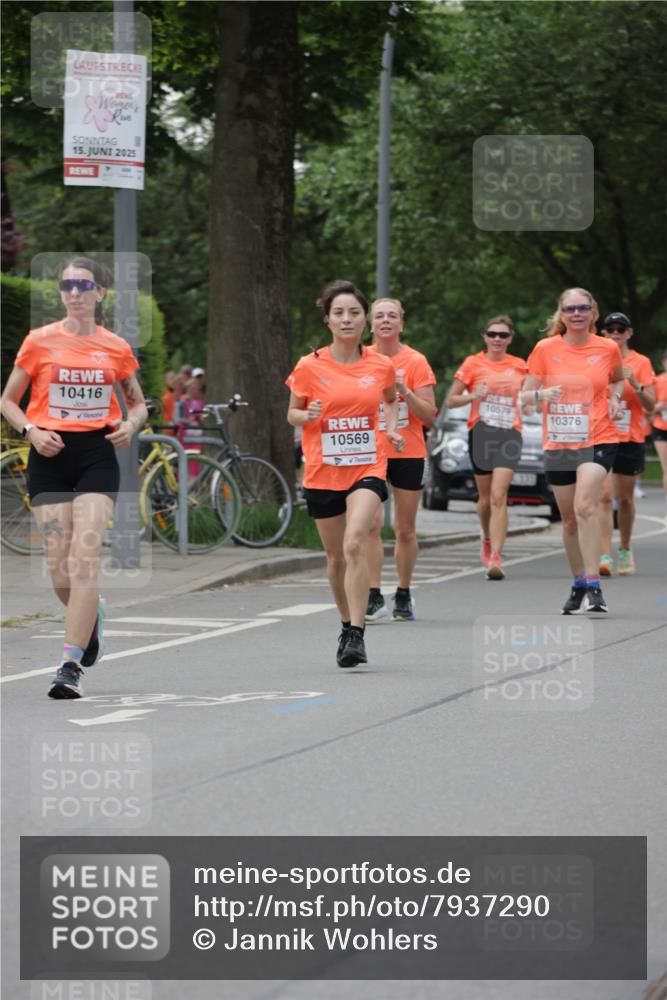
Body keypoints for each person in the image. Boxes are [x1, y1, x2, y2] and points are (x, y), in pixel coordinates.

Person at [0, 256, 147, 698]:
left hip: (96, 454)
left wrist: (130, 424)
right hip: (50, 453)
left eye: (84, 285)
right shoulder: (39, 341)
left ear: (100, 293)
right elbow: (8, 400)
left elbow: (138, 403)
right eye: (67, 286)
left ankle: (69, 665)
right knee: (59, 569)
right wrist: (32, 431)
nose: (75, 293)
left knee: (84, 558)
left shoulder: (116, 346)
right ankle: (92, 614)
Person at [286, 280, 404, 668]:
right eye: (339, 313)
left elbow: (389, 400)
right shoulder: (309, 366)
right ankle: (344, 622)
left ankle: (357, 634)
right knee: (336, 557)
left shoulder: (380, 365)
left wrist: (390, 429)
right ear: (328, 320)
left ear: (364, 319)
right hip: (323, 470)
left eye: (354, 312)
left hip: (368, 464)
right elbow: (293, 413)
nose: (347, 319)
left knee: (356, 542)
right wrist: (309, 416)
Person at [522, 288, 624, 614]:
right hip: (561, 441)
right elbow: (525, 396)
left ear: (592, 313)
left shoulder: (607, 347)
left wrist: (616, 398)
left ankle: (594, 583)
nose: (576, 314)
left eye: (582, 308)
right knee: (568, 520)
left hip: (599, 435)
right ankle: (579, 581)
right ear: (561, 314)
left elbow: (618, 381)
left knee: (584, 506)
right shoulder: (545, 349)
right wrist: (542, 395)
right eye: (570, 309)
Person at [364, 298, 436, 621]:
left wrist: (405, 391)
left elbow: (430, 415)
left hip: (408, 451)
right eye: (379, 316)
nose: (386, 321)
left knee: (405, 529)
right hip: (370, 452)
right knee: (371, 525)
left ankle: (404, 593)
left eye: (392, 316)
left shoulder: (416, 361)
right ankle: (373, 594)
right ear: (371, 324)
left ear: (401, 324)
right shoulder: (361, 359)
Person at [445, 315, 530, 579]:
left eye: (502, 335)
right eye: (492, 334)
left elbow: (529, 399)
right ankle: (486, 537)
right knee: (484, 500)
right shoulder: (473, 363)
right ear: (484, 337)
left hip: (509, 434)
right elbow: (450, 401)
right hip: (481, 434)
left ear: (510, 339)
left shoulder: (520, 366)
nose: (497, 339)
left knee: (498, 495)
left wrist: (533, 402)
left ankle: (496, 557)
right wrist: (473, 395)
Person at [597, 313, 655, 576]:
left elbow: (652, 406)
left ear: (629, 333)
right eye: (610, 329)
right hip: (602, 435)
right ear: (603, 333)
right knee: (604, 495)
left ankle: (624, 547)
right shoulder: (596, 359)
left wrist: (635, 383)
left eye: (620, 329)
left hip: (630, 437)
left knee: (625, 499)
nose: (615, 334)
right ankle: (605, 553)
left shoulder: (640, 362)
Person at [649, 347, 667, 499]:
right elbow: (648, 406)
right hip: (661, 427)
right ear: (663, 362)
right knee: (666, 468)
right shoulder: (657, 381)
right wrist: (658, 408)